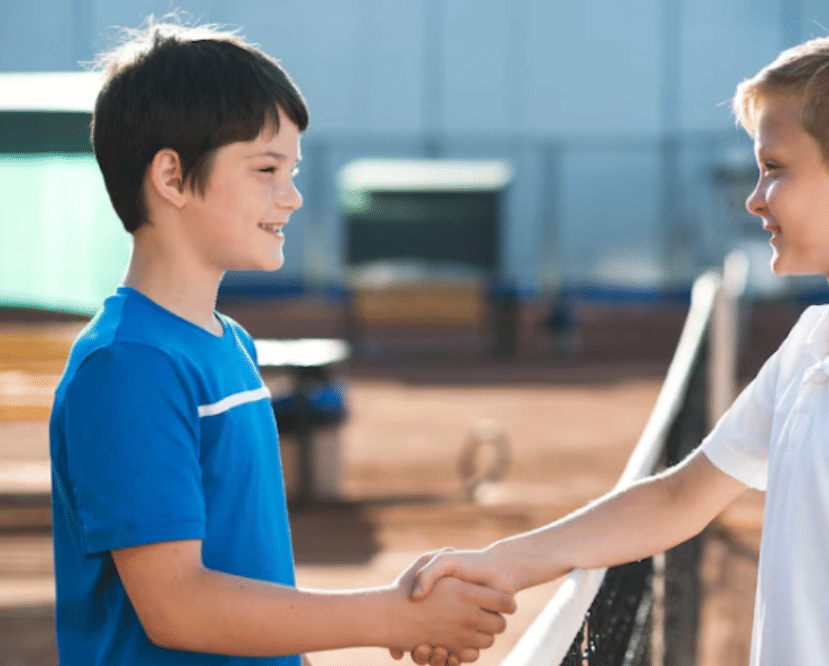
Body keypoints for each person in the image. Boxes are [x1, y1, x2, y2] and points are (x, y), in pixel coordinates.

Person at [405, 2, 829, 664]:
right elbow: (682, 496)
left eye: (775, 167)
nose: (754, 197)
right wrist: (505, 562)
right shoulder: (810, 345)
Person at [48, 17, 514, 666]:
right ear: (172, 177)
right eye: (266, 168)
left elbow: (251, 578)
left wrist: (400, 616)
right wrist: (390, 617)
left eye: (291, 169)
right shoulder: (126, 367)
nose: (292, 197)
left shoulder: (230, 344)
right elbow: (177, 605)